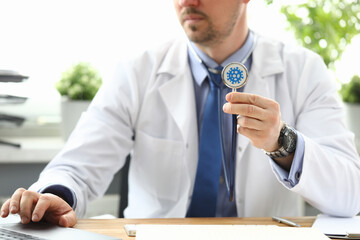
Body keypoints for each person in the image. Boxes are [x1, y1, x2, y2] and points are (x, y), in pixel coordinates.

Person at [2, 0, 360, 227]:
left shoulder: (304, 71)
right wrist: (54, 195)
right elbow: (78, 165)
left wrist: (283, 142)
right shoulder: (136, 70)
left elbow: (350, 194)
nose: (187, 1)